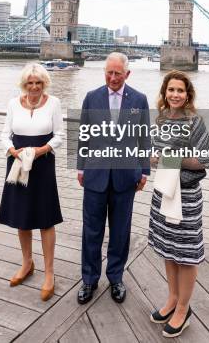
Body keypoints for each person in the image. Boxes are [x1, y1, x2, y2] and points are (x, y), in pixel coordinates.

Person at [77, 52, 150, 304]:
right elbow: (83, 135)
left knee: (120, 232)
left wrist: (144, 171)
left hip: (125, 177)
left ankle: (116, 277)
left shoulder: (139, 100)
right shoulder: (91, 97)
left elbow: (144, 138)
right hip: (95, 174)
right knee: (91, 231)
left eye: (118, 73)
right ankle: (89, 279)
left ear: (127, 74)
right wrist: (80, 167)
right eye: (109, 72)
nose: (113, 77)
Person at [148, 70, 209, 338]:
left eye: (180, 91)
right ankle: (172, 299)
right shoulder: (161, 119)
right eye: (171, 90)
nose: (175, 95)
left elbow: (204, 161)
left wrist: (169, 159)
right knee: (168, 248)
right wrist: (153, 158)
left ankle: (184, 309)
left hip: (185, 196)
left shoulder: (195, 122)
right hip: (163, 192)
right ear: (165, 93)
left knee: (186, 254)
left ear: (188, 95)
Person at [0, 62, 64, 301]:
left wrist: (41, 150)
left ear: (44, 83)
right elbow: (5, 134)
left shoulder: (54, 103)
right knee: (22, 218)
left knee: (46, 220)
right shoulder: (13, 103)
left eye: (38, 83)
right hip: (17, 163)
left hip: (43, 163)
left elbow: (60, 135)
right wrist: (13, 151)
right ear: (24, 84)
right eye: (30, 83)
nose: (34, 87)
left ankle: (49, 273)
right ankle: (27, 263)